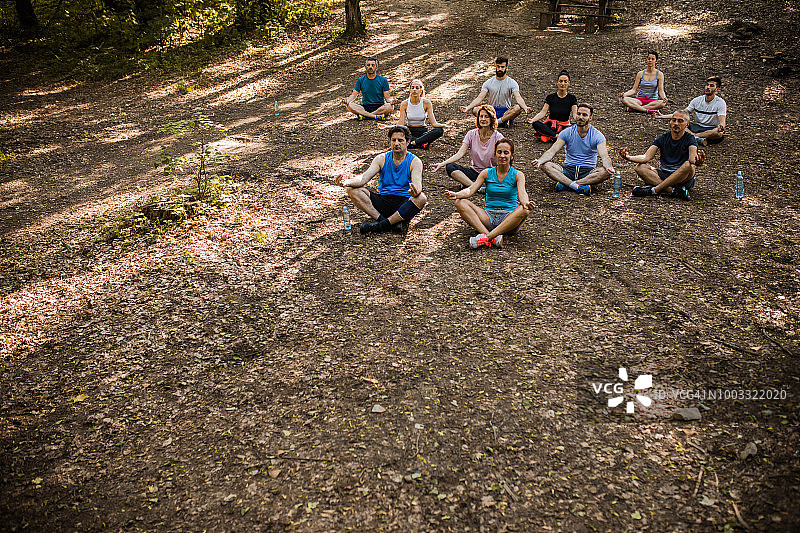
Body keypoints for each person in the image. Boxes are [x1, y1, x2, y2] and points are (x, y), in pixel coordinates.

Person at [445, 139, 535, 248]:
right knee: (460, 202)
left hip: (509, 219)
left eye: (506, 153)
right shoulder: (486, 173)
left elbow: (522, 194)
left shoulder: (518, 174)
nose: (502, 155)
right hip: (488, 217)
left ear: (512, 156)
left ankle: (486, 238)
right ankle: (492, 237)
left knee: (525, 209)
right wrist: (456, 194)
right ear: (495, 154)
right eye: (499, 152)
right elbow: (470, 190)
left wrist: (526, 203)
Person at [336, 125, 427, 234]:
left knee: (421, 198)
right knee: (352, 189)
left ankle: (381, 226)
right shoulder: (381, 158)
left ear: (408, 142)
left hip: (403, 205)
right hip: (383, 201)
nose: (396, 143)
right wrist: (346, 182)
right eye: (393, 140)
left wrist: (415, 191)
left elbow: (417, 184)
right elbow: (363, 178)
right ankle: (386, 222)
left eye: (400, 140)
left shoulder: (415, 161)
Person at [619, 109, 705, 201]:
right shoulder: (663, 138)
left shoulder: (690, 139)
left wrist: (698, 162)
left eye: (680, 121)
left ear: (687, 124)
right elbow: (646, 157)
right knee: (639, 167)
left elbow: (692, 159)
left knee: (689, 165)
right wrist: (628, 157)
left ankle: (655, 190)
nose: (676, 123)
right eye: (674, 120)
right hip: (665, 174)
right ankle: (672, 191)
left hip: (683, 178)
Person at [532, 104, 614, 196]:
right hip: (568, 170)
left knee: (605, 172)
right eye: (578, 114)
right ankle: (578, 186)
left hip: (588, 172)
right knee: (545, 165)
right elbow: (552, 151)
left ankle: (568, 184)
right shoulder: (567, 132)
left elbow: (604, 156)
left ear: (590, 118)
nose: (580, 117)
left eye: (584, 115)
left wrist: (609, 167)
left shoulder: (597, 135)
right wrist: (539, 161)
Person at [431, 104, 504, 189]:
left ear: (492, 119)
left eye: (486, 117)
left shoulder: (498, 137)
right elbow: (460, 154)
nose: (483, 119)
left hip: (490, 174)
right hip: (475, 172)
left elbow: (502, 160)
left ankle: (469, 183)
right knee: (450, 167)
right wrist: (441, 164)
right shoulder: (471, 134)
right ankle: (476, 187)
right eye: (481, 116)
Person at [458, 56, 532, 127]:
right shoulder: (489, 82)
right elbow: (479, 98)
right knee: (475, 109)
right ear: (495, 67)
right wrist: (467, 108)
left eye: (502, 67)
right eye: (498, 66)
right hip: (491, 111)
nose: (500, 69)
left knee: (518, 108)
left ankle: (496, 122)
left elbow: (518, 97)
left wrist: (525, 108)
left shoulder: (512, 83)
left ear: (506, 67)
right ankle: (501, 122)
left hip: (506, 112)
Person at [377, 78, 449, 150]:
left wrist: (444, 125)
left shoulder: (426, 103)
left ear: (421, 90)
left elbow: (434, 123)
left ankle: (413, 143)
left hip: (422, 131)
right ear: (410, 90)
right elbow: (400, 124)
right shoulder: (404, 104)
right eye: (413, 88)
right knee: (398, 133)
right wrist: (387, 127)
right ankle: (421, 143)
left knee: (439, 130)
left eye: (417, 88)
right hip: (409, 132)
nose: (414, 90)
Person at [654, 76, 726, 146]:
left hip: (710, 129)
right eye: (707, 85)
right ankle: (698, 139)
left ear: (717, 89)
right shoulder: (697, 100)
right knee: (680, 124)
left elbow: (722, 120)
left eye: (711, 86)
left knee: (719, 133)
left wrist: (721, 126)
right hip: (696, 127)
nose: (708, 87)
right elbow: (681, 114)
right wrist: (662, 116)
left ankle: (694, 137)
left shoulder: (720, 103)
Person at [526, 69, 578, 142]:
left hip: (564, 126)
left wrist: (580, 121)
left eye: (565, 81)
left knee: (575, 128)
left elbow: (575, 115)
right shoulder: (551, 97)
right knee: (536, 124)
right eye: (561, 81)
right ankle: (556, 136)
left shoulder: (572, 98)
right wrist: (532, 120)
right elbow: (543, 112)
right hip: (550, 126)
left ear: (568, 83)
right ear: (557, 83)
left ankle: (553, 136)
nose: (563, 84)